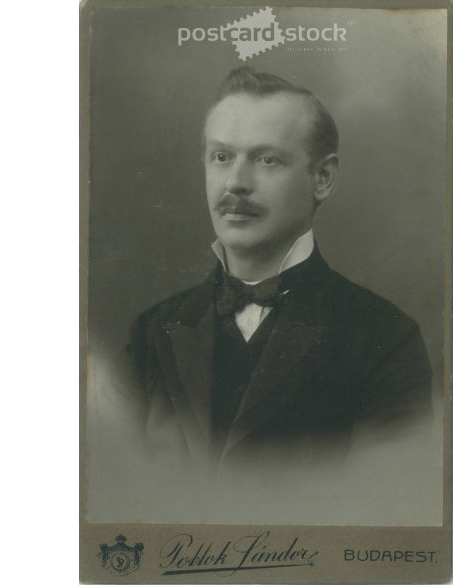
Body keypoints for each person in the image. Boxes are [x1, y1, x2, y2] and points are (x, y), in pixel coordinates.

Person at [115, 67, 433, 472]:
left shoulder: (385, 340)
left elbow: (384, 508)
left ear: (323, 178)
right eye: (221, 157)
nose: (235, 183)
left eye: (267, 159)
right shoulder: (150, 334)